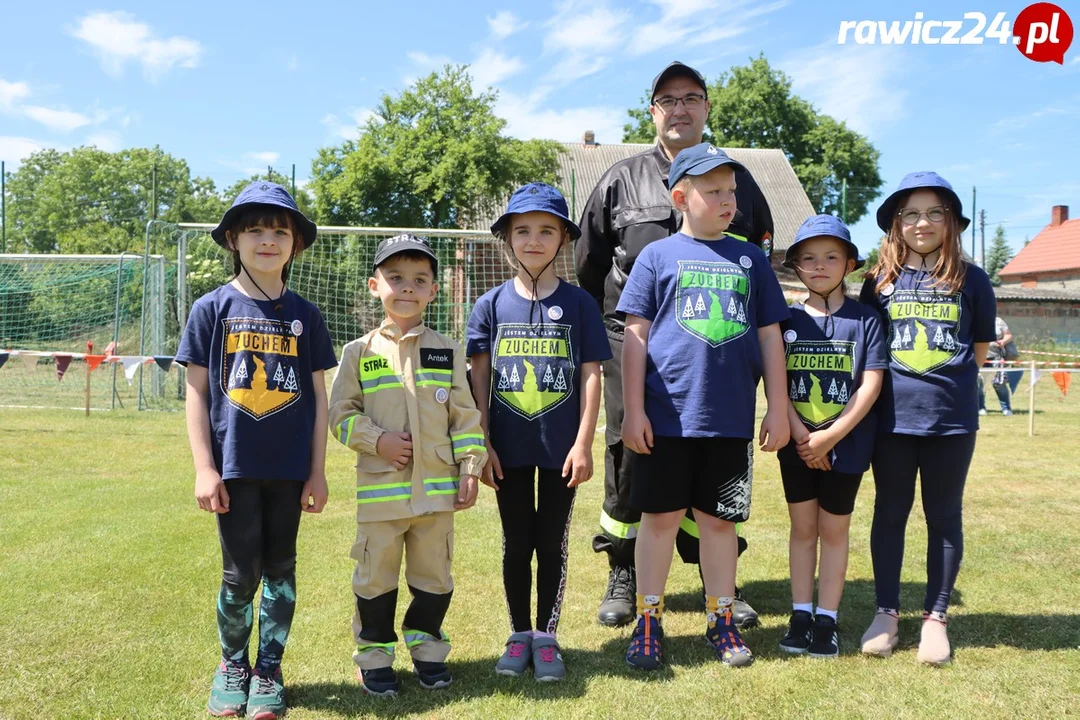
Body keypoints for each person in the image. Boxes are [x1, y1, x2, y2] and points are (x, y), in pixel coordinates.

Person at [574, 60, 774, 629]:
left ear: (706, 107)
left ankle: (719, 579)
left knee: (714, 458)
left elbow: (756, 257)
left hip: (715, 354)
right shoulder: (620, 178)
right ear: (653, 111)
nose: (680, 108)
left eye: (692, 98)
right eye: (668, 100)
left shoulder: (739, 180)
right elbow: (589, 269)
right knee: (629, 453)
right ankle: (624, 570)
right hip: (631, 346)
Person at [617, 144, 790, 670]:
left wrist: (777, 405)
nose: (726, 200)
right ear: (681, 196)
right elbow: (635, 336)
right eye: (712, 191)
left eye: (730, 191)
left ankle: (722, 619)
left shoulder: (751, 258)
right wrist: (633, 411)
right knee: (661, 519)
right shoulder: (657, 256)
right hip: (665, 419)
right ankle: (649, 619)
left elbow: (768, 337)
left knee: (719, 524)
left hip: (729, 420)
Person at [176, 182, 337, 719]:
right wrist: (204, 467)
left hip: (290, 471)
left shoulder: (306, 316)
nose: (267, 240)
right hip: (235, 468)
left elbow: (318, 398)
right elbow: (197, 390)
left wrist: (317, 472)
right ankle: (232, 666)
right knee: (240, 574)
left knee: (281, 570)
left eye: (279, 231)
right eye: (255, 231)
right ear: (232, 239)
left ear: (295, 244)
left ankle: (268, 670)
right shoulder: (211, 308)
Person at [329, 234, 487, 696]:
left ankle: (428, 649)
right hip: (382, 496)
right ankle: (375, 655)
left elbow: (466, 416)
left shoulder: (447, 350)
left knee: (434, 578)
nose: (407, 288)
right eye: (395, 278)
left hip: (437, 494)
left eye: (419, 280)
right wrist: (377, 441)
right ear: (375, 285)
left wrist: (471, 468)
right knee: (375, 578)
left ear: (434, 291)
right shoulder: (359, 352)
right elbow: (339, 416)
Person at [466, 183, 610, 682]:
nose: (533, 240)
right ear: (506, 237)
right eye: (522, 230)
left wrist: (583, 441)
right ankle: (519, 634)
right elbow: (478, 380)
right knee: (515, 544)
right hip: (506, 449)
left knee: (551, 544)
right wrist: (482, 443)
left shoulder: (580, 305)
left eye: (546, 230)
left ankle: (547, 638)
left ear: (563, 239)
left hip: (560, 451)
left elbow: (591, 374)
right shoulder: (489, 305)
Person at [859, 172, 996, 665]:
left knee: (943, 517)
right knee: (890, 515)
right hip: (891, 421)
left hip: (951, 422)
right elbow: (870, 348)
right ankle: (886, 613)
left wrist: (942, 389)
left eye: (934, 213)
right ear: (896, 223)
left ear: (951, 222)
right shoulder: (877, 281)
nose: (923, 223)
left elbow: (977, 349)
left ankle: (936, 618)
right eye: (911, 214)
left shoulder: (973, 279)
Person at [776, 215, 886, 658]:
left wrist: (831, 437)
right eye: (809, 259)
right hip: (795, 443)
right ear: (796, 266)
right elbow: (775, 380)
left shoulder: (867, 320)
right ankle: (801, 614)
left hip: (848, 445)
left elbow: (872, 382)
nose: (819, 266)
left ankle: (827, 620)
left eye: (831, 257)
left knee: (834, 530)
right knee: (803, 530)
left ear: (850, 264)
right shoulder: (783, 321)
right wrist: (804, 437)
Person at [977, 317, 1018, 415]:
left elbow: (1008, 335)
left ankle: (1006, 409)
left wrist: (1003, 341)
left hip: (996, 357)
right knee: (979, 384)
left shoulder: (998, 321)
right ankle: (980, 408)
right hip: (979, 357)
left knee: (999, 384)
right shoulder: (973, 319)